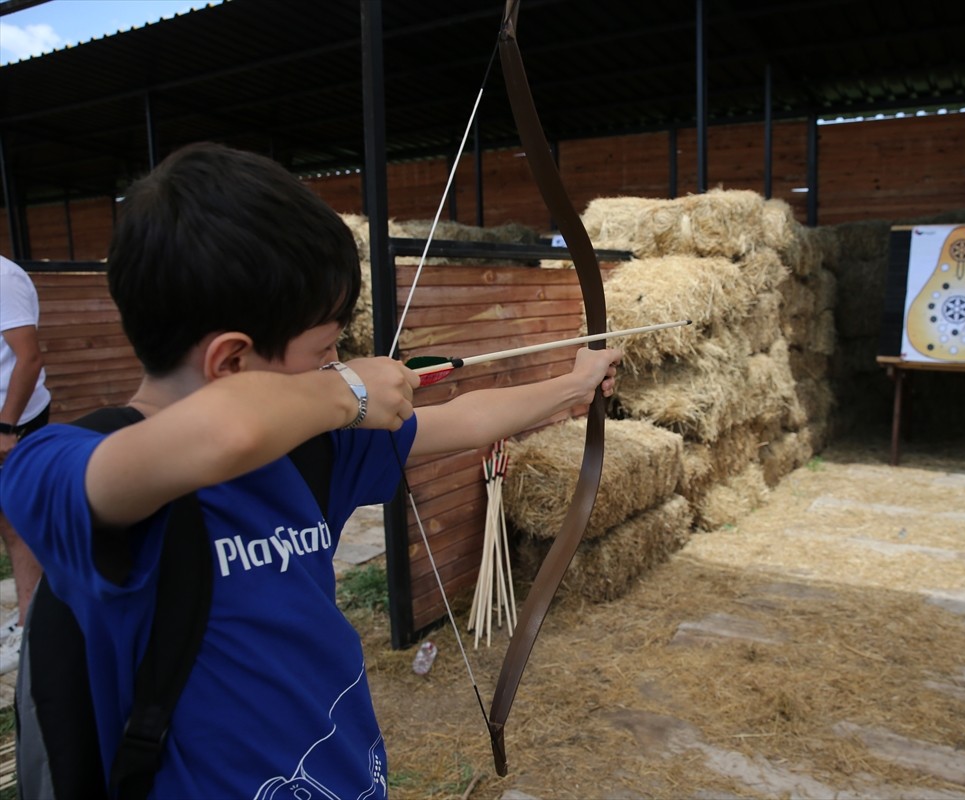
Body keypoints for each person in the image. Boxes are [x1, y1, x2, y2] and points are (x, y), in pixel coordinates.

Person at [0, 142, 620, 797]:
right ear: (232, 361)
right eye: (325, 348)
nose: (336, 362)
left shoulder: (309, 450)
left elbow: (462, 420)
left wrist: (572, 386)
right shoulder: (64, 469)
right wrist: (348, 392)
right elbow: (228, 428)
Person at [0, 255, 53, 675]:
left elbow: (29, 358)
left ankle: (32, 624)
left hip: (12, 422)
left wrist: (7, 425)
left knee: (19, 523)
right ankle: (25, 609)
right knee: (7, 523)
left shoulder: (3, 278)